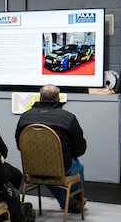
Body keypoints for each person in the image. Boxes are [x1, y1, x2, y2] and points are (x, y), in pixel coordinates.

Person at [15, 84, 87, 212]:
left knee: (49, 170)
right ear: (58, 99)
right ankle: (74, 201)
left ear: (40, 98)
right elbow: (80, 149)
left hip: (32, 169)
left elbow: (19, 145)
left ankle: (66, 201)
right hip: (61, 168)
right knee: (78, 166)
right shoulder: (68, 118)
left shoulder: (25, 117)